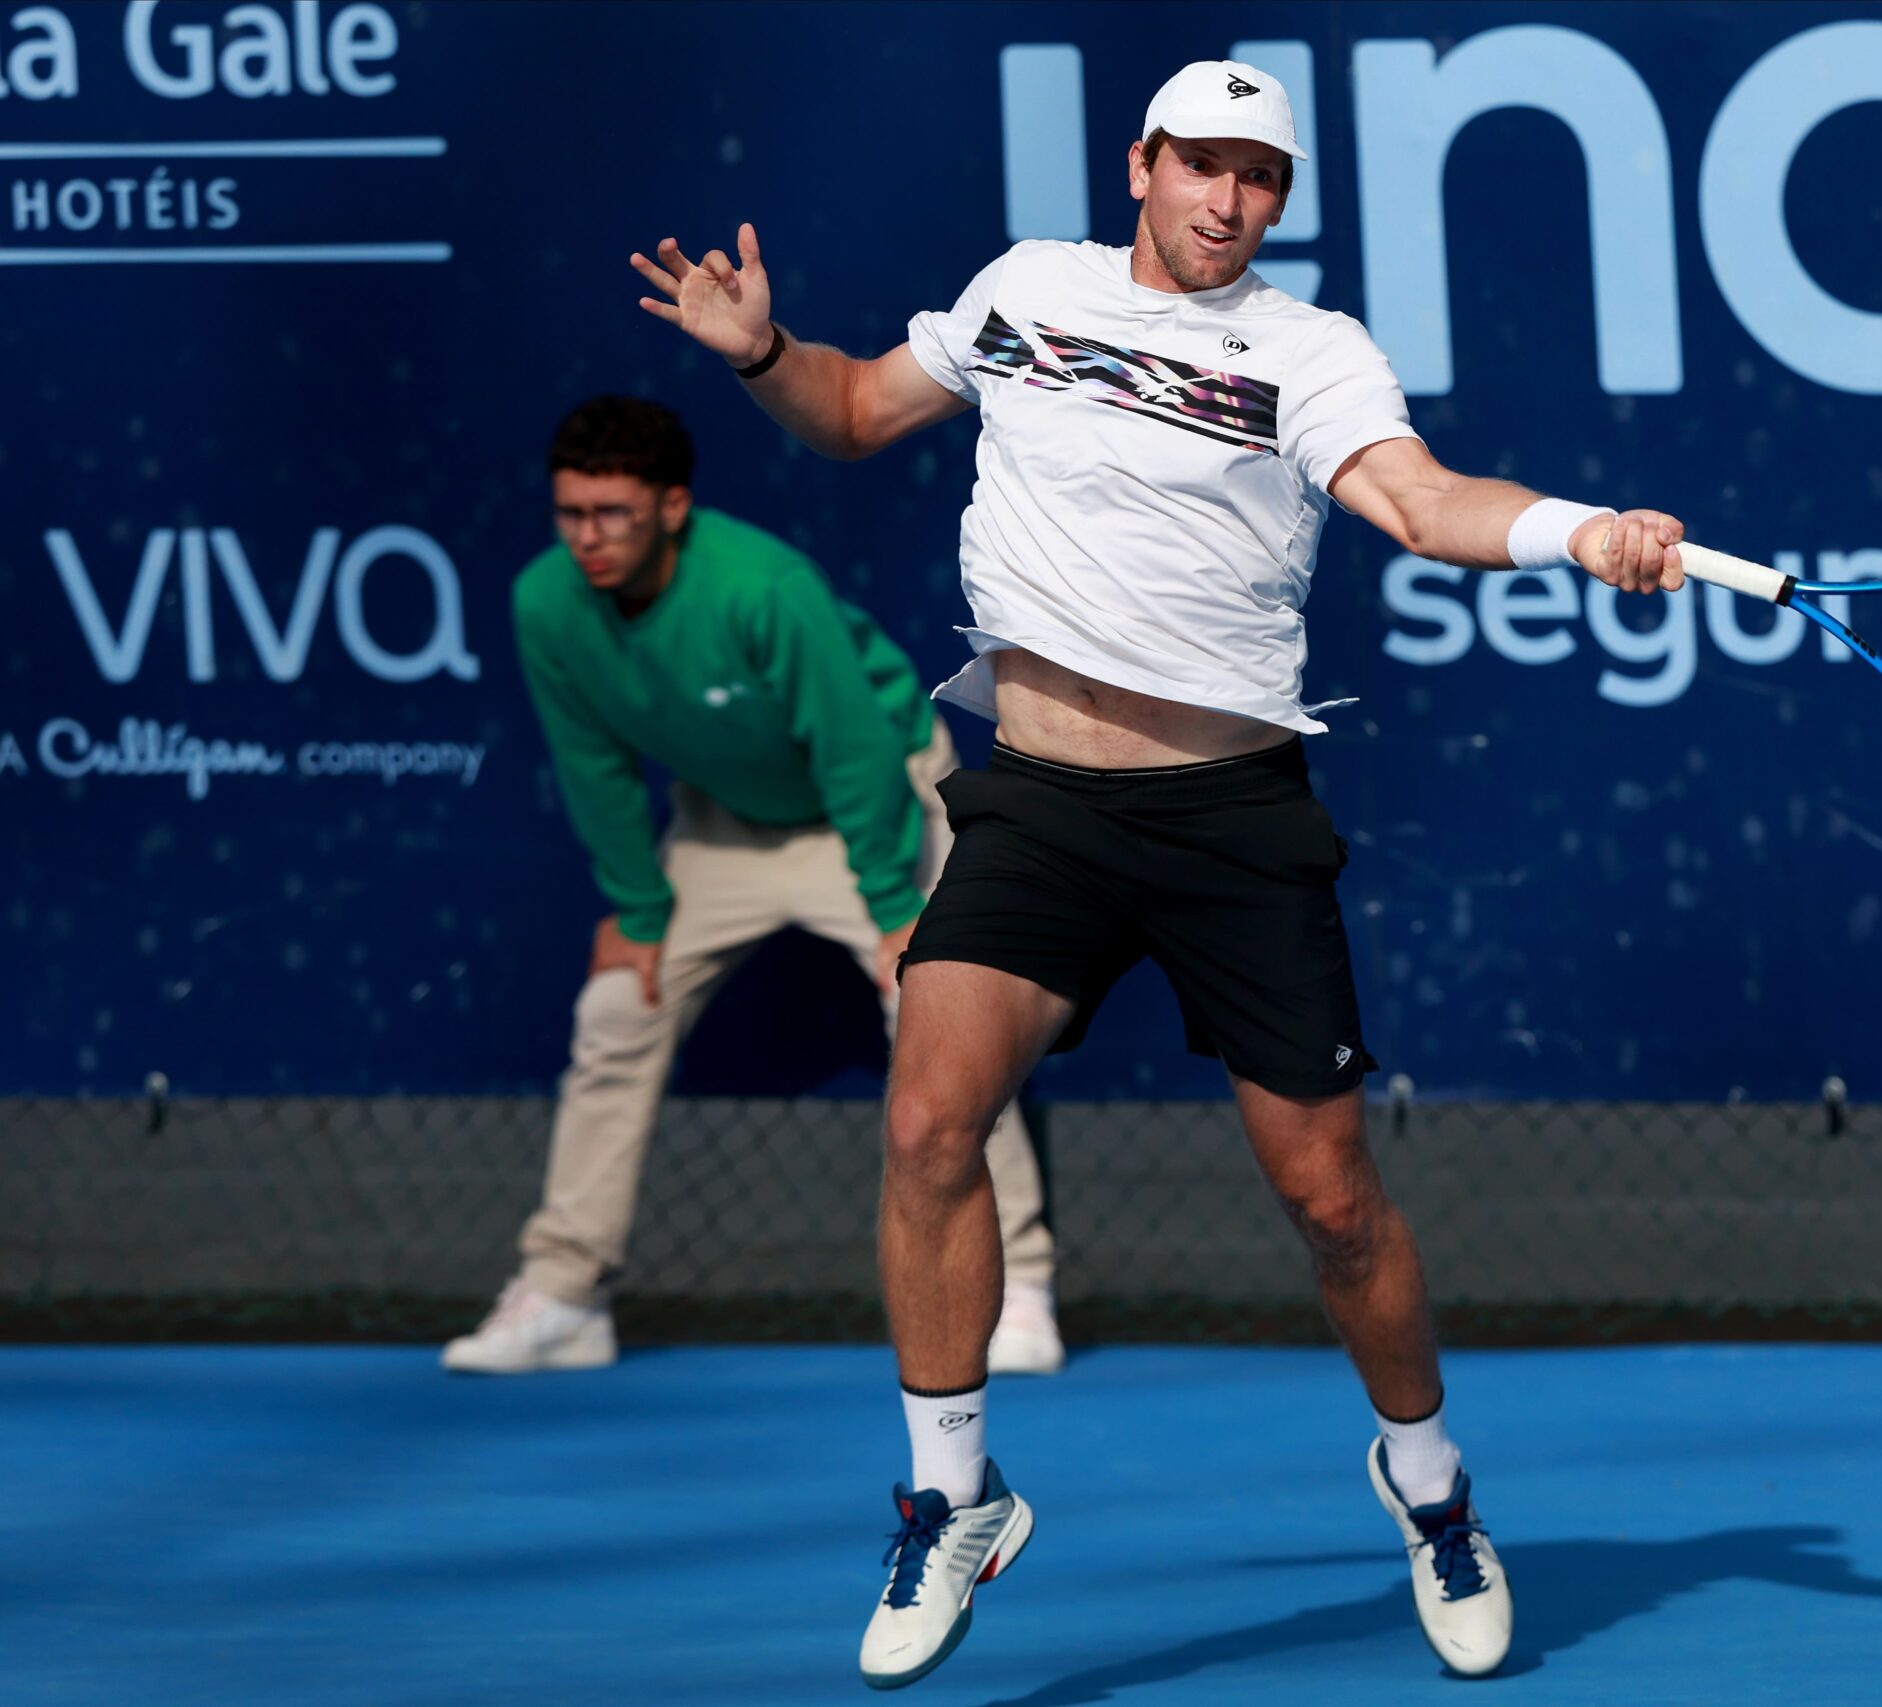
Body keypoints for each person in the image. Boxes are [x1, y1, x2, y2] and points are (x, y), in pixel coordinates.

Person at [633, 60, 1690, 1688]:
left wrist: (1573, 527)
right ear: (1143, 162)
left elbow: (1417, 503)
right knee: (927, 1118)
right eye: (1204, 164)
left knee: (1333, 1203)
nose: (1229, 198)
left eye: (1258, 177)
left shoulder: (1309, 350)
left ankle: (1431, 1487)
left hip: (1231, 821)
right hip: (1039, 805)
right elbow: (851, 411)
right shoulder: (1026, 290)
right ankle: (950, 1493)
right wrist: (763, 352)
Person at [442, 397, 1064, 1380]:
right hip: (725, 827)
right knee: (616, 1010)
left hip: (878, 806)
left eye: (613, 514)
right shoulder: (544, 604)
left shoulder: (762, 586)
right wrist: (638, 912)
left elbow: (854, 747)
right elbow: (591, 762)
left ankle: (1015, 1287)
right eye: (571, 515)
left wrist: (897, 909)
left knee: (941, 1020)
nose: (588, 539)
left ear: (673, 506)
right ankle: (565, 1296)